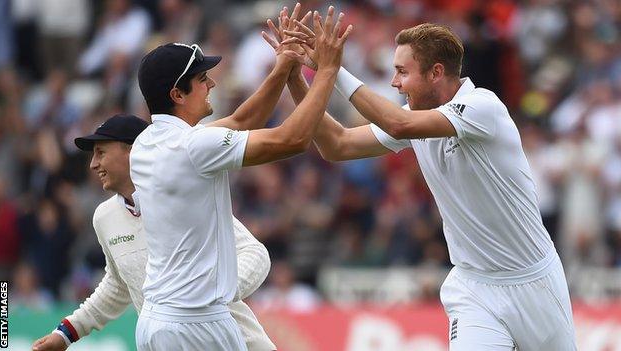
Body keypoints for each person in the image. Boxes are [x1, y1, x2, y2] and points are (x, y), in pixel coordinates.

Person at [274, 21, 577, 350]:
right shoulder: (415, 116)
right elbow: (337, 145)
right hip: (474, 287)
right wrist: (296, 79)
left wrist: (334, 70)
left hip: (532, 281)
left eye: (403, 72)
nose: (395, 83)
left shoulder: (483, 107)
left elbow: (398, 124)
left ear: (435, 72)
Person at [130, 5, 351, 350]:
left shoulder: (146, 142)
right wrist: (326, 71)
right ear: (177, 95)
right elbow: (292, 139)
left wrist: (284, 66)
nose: (212, 83)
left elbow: (239, 121)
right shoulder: (194, 145)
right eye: (201, 80)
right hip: (197, 323)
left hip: (156, 321)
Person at [31, 114, 276, 351]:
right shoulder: (104, 217)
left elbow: (255, 254)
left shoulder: (182, 195)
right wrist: (66, 334)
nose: (94, 164)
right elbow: (119, 285)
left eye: (101, 152)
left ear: (132, 150)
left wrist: (209, 297)